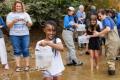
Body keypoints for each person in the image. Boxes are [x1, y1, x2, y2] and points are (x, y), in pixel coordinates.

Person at [6, 1, 32, 72]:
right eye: (17, 6)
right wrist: (13, 21)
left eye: (19, 6)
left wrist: (26, 22)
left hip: (25, 34)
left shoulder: (25, 14)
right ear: (14, 6)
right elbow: (8, 26)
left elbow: (30, 24)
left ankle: (27, 66)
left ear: (22, 6)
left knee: (25, 50)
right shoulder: (10, 14)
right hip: (14, 35)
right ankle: (18, 66)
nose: (18, 7)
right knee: (16, 50)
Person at [94, 9, 119, 75]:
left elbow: (107, 29)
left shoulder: (105, 19)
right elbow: (104, 34)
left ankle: (111, 75)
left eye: (100, 16)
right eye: (98, 16)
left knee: (110, 59)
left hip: (112, 41)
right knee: (110, 57)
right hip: (113, 40)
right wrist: (96, 34)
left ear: (104, 14)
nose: (99, 18)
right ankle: (111, 73)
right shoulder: (109, 19)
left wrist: (98, 33)